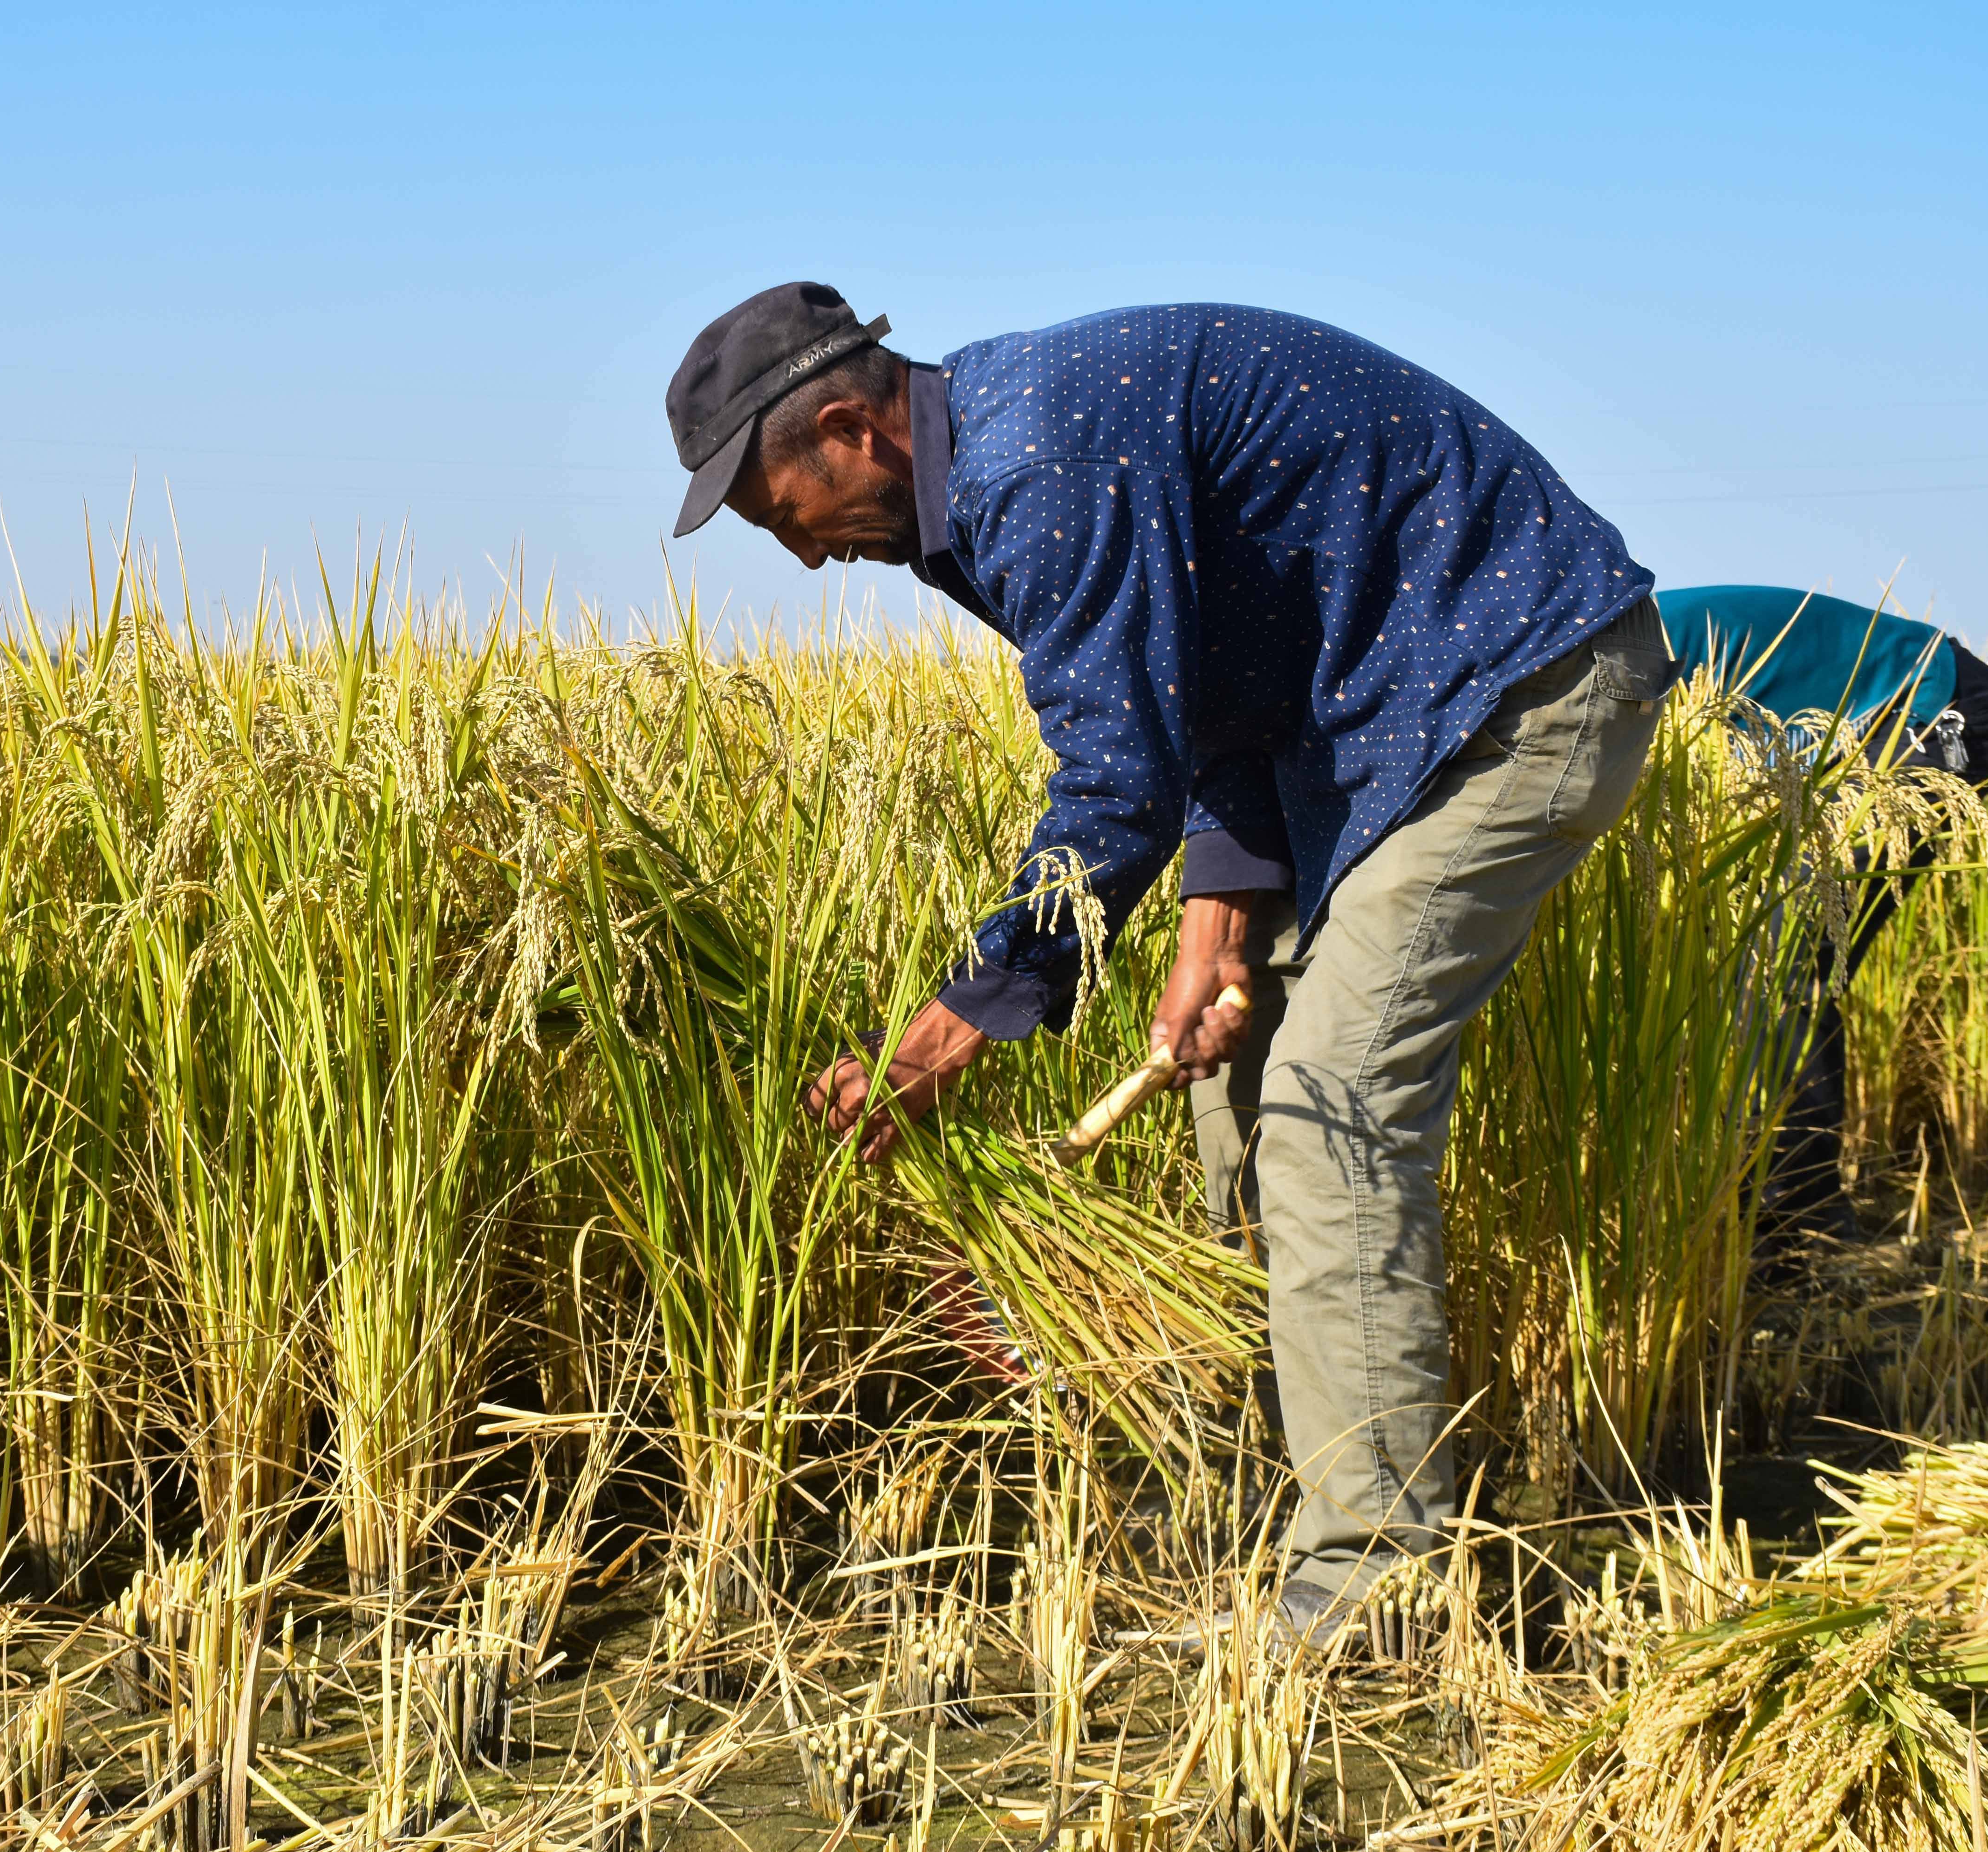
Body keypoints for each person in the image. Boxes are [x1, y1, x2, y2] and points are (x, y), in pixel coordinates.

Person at [664, 283, 1674, 1634]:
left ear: (851, 428)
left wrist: (940, 1044)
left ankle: (1378, 1575)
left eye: (781, 514)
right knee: (1232, 1091)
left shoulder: (1035, 461)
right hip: (1371, 726)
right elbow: (1203, 691)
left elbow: (1115, 780)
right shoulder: (988, 479)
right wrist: (1222, 917)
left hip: (1511, 694)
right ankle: (1277, 1486)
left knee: (1330, 1111)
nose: (799, 558)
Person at [1655, 585, 1988, 1253]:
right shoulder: (1582, 651)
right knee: (1724, 946)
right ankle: (1744, 1201)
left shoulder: (1608, 654)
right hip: (1855, 742)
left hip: (1935, 708)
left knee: (1782, 953)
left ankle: (1799, 1233)